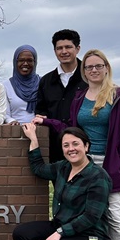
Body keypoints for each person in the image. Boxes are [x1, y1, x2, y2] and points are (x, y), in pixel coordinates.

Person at [35, 49, 120, 240]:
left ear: (106, 68)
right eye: (89, 67)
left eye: (98, 66)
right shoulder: (80, 98)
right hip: (84, 162)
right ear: (84, 71)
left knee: (114, 215)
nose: (94, 70)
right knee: (90, 214)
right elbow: (71, 128)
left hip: (110, 163)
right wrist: (46, 121)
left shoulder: (119, 95)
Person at [13, 123, 111, 240]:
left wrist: (60, 233)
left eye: (75, 144)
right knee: (22, 234)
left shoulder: (98, 176)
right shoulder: (63, 168)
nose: (71, 149)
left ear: (86, 146)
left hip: (89, 237)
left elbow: (91, 217)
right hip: (62, 227)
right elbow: (39, 169)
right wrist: (33, 139)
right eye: (66, 145)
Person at [35, 29, 86, 161]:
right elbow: (41, 110)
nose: (64, 51)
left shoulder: (88, 77)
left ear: (78, 49)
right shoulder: (46, 81)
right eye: (59, 48)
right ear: (55, 51)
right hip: (55, 147)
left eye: (68, 47)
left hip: (84, 147)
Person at [4, 45, 39, 124]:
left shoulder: (43, 83)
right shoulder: (6, 86)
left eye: (29, 60)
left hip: (40, 129)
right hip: (15, 129)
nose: (25, 63)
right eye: (21, 60)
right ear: (15, 62)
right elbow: (5, 114)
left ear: (35, 62)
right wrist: (11, 121)